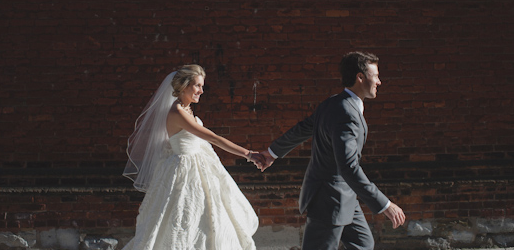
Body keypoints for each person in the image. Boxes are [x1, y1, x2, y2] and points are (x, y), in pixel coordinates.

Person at [258, 51, 406, 250]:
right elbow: (349, 167)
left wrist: (272, 152)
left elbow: (303, 128)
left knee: (363, 244)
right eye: (376, 75)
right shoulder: (345, 112)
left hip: (345, 196)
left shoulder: (333, 103)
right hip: (329, 199)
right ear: (360, 77)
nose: (379, 81)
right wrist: (386, 205)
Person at [123, 65, 264, 250]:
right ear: (183, 85)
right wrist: (249, 154)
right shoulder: (178, 113)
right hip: (185, 173)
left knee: (211, 218)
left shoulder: (186, 108)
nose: (201, 91)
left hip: (199, 167)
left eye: (202, 86)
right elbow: (214, 138)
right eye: (197, 86)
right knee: (185, 220)